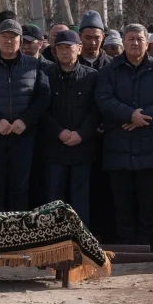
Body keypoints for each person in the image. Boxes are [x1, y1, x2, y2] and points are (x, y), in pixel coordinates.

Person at [96, 24, 153, 249]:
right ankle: (126, 244)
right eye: (130, 39)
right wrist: (129, 114)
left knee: (148, 200)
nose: (135, 43)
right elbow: (103, 99)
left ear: (147, 42)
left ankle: (147, 244)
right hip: (118, 145)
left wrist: (143, 117)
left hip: (150, 145)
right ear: (123, 42)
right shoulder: (110, 71)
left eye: (140, 39)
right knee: (122, 201)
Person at [0, 19, 50, 212]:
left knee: (20, 189)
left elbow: (43, 96)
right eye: (4, 36)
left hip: (23, 136)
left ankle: (19, 235)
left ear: (20, 40)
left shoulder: (34, 65)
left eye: (13, 37)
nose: (8, 41)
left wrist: (25, 120)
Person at [39, 30, 98, 224]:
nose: (64, 52)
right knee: (53, 200)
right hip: (54, 148)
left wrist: (81, 133)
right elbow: (40, 110)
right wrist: (59, 132)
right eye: (60, 48)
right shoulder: (45, 75)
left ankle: (81, 244)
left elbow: (96, 111)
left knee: (81, 201)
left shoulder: (92, 77)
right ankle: (52, 246)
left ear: (79, 49)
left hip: (82, 148)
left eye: (69, 47)